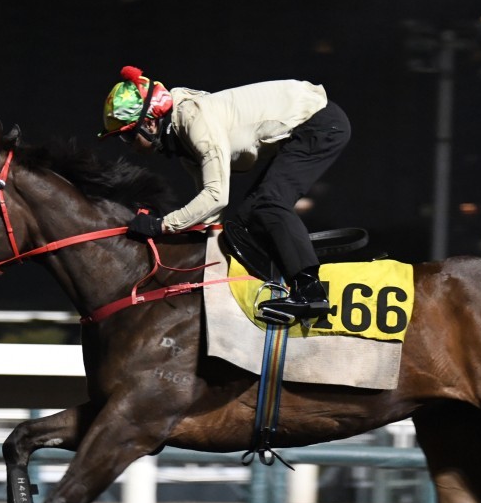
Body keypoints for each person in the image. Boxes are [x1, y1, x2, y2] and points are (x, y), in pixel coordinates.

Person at [99, 66, 351, 321]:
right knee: (243, 221)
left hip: (320, 124)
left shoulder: (193, 120)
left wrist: (160, 225)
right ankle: (281, 281)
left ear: (150, 122)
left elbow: (217, 196)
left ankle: (310, 291)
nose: (129, 146)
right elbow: (212, 217)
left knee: (268, 204)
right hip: (307, 128)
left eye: (127, 136)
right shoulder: (182, 142)